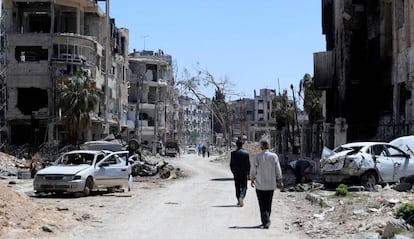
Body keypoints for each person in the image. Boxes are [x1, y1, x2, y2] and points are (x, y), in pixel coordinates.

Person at [250, 139, 284, 229]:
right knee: (268, 203)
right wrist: (280, 180)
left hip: (260, 184)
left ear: (261, 146)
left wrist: (252, 178)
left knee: (262, 204)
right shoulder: (274, 156)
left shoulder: (257, 156)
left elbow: (253, 170)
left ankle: (266, 220)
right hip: (270, 184)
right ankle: (266, 219)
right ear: (268, 146)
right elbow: (278, 169)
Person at [230, 140, 250, 207]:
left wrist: (233, 171)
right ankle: (242, 196)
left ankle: (239, 199)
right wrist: (248, 173)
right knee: (244, 186)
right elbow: (248, 164)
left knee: (237, 186)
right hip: (244, 173)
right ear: (242, 145)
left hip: (236, 173)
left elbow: (231, 164)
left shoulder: (233, 153)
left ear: (236, 145)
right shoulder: (246, 153)